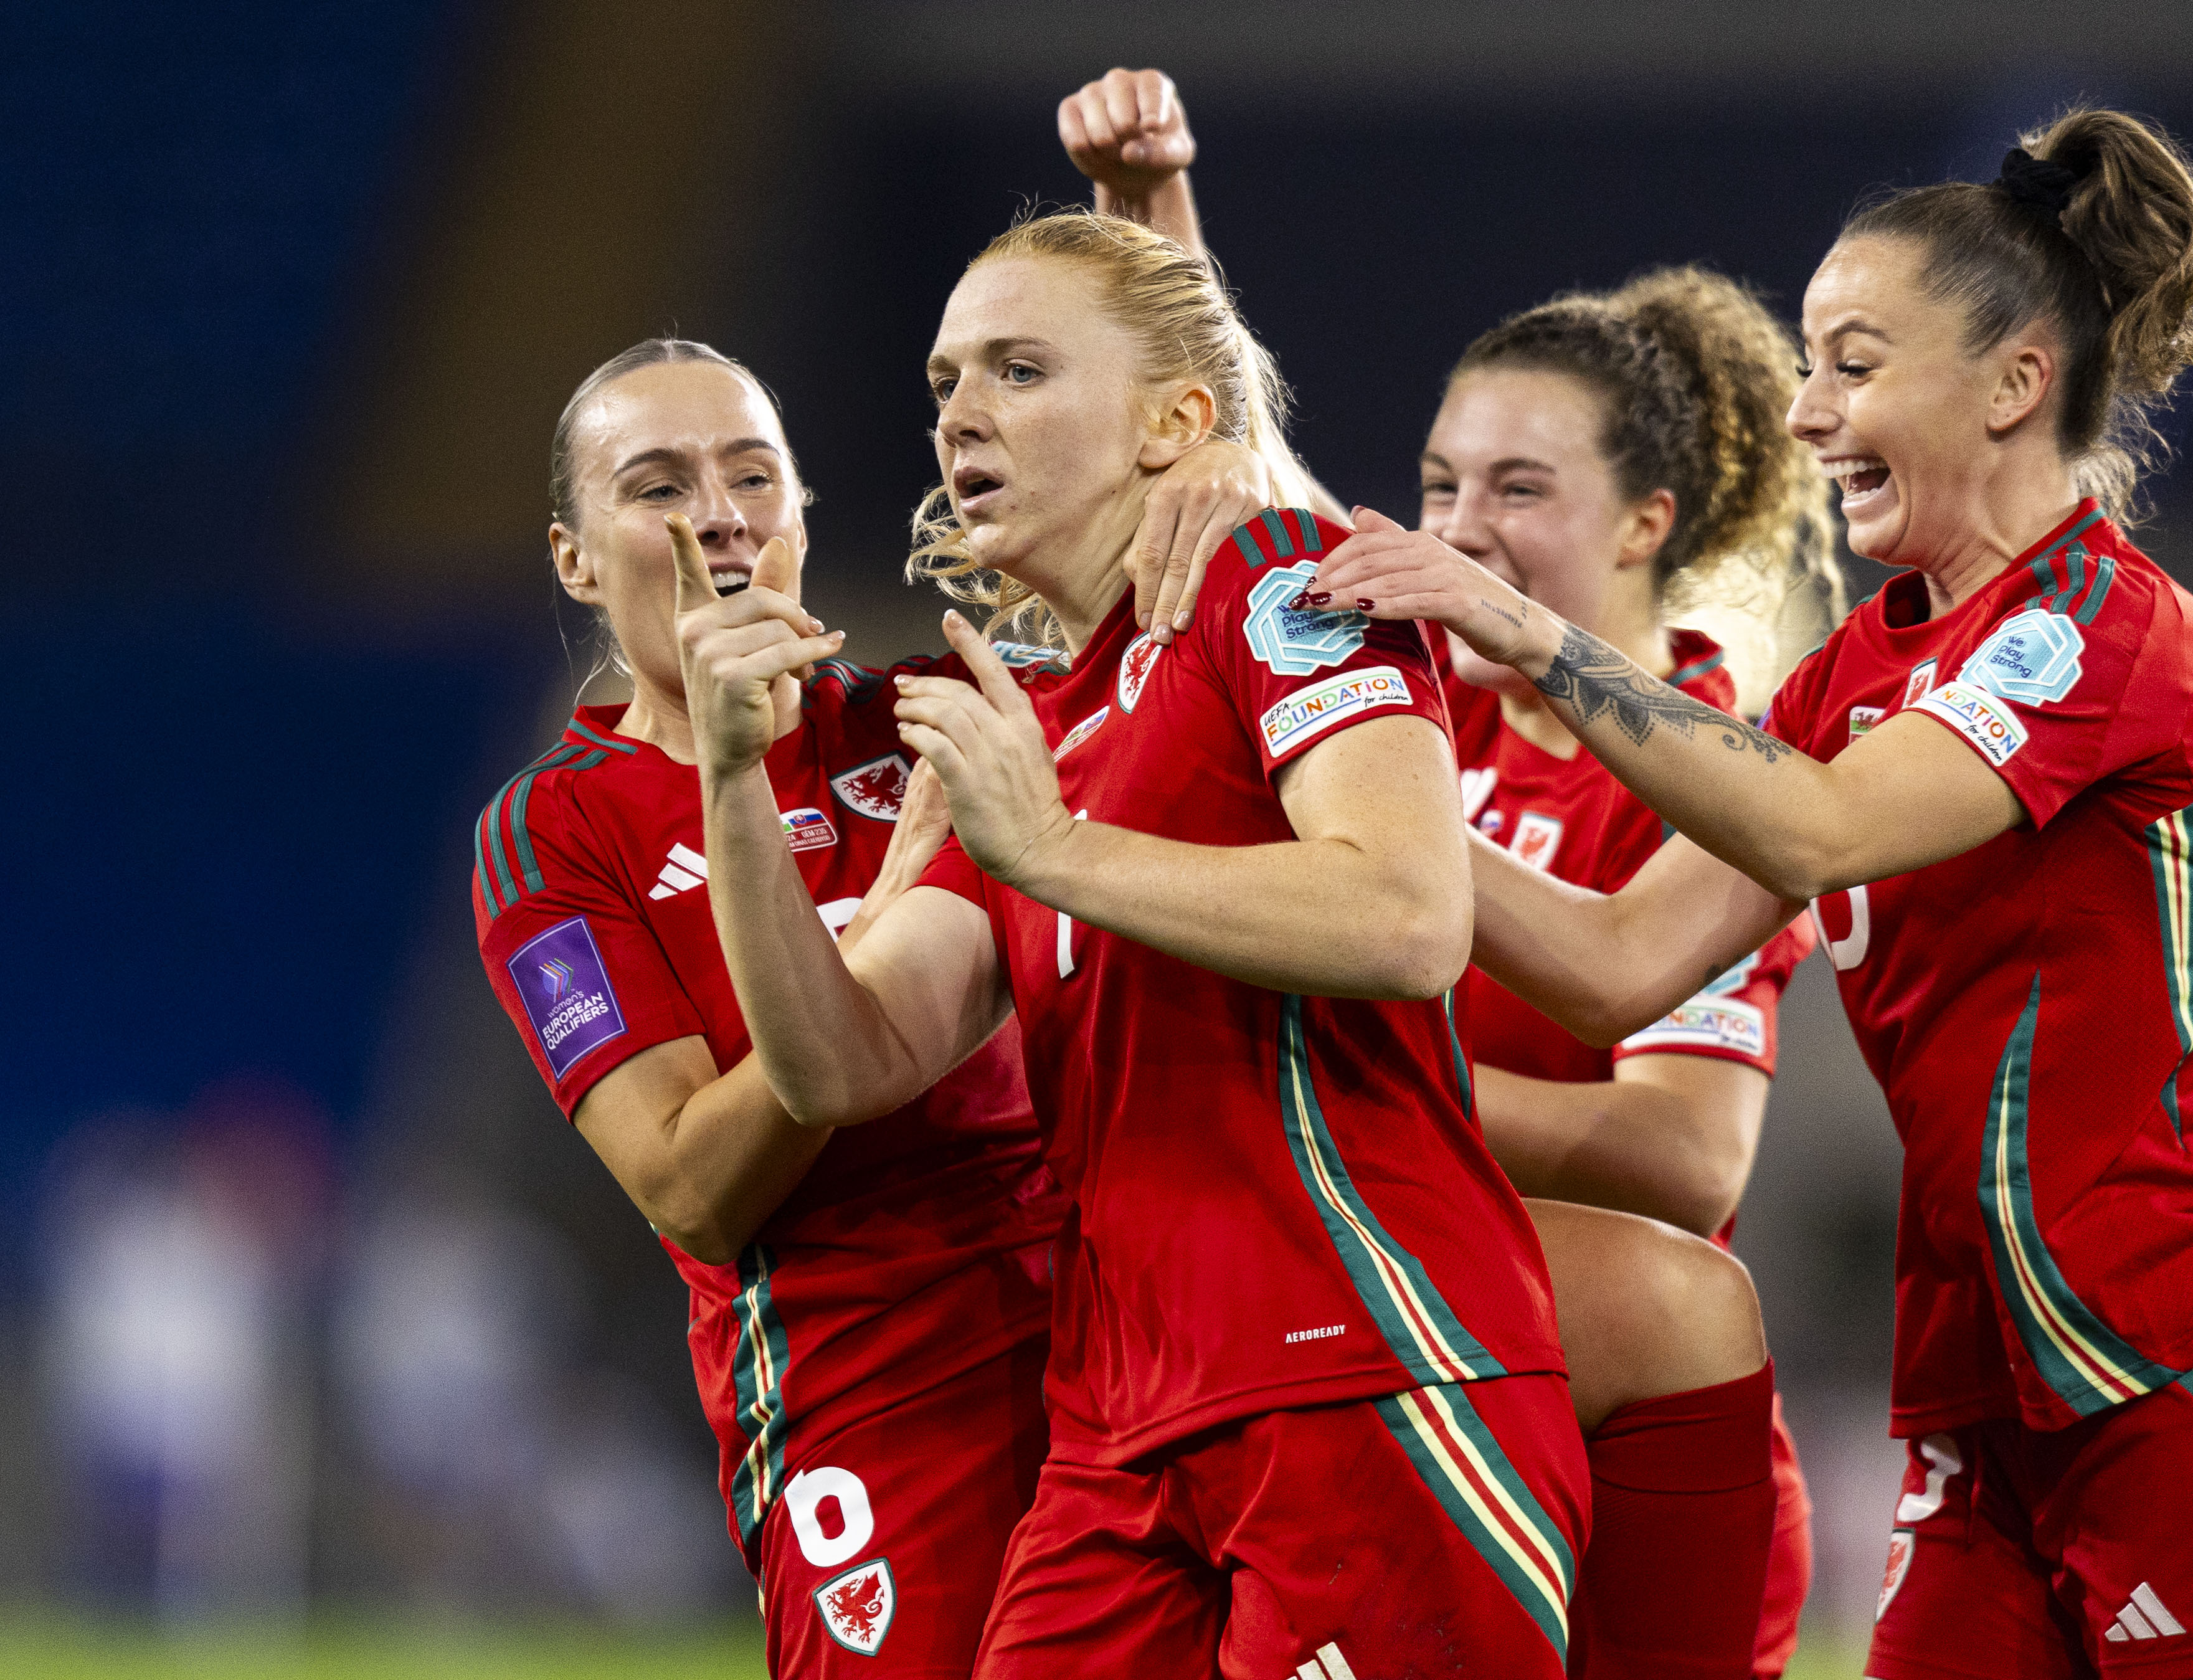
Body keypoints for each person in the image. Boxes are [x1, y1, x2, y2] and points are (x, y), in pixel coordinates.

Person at [1305, 108, 2193, 1679]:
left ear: (2017, 381)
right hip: (1980, 1406)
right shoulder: (1860, 668)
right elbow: (1617, 959)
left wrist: (1536, 634)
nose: (1811, 413)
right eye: (1812, 364)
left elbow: (1813, 829)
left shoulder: (2103, 627)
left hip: (2178, 1371)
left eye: (1854, 361)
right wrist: (1347, 805)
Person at [680, 211, 1587, 1676]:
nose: (961, 414)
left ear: (1174, 420)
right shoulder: (1026, 721)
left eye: (1019, 370)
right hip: (1118, 1428)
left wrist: (1054, 852)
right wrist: (731, 787)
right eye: (943, 383)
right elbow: (844, 1062)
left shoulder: (1280, 577)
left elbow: (1411, 914)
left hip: (1361, 1369)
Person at [1060, 67, 1820, 1676]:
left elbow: (1685, 1159)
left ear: (1642, 527)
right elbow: (1248, 510)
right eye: (1435, 485)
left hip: (1602, 1402)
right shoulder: (1395, 704)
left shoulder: (1715, 776)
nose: (1457, 531)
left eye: (1517, 492)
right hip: (1378, 1332)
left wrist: (1358, 1092)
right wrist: (1152, 212)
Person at [471, 336, 1271, 1674]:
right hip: (875, 1388)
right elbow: (690, 1189)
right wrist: (867, 956)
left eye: (752, 477)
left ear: (796, 520)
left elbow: (1190, 611)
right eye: (658, 485)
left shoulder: (936, 716)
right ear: (576, 557)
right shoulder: (558, 829)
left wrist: (1227, 451)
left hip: (1127, 1335)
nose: (718, 513)